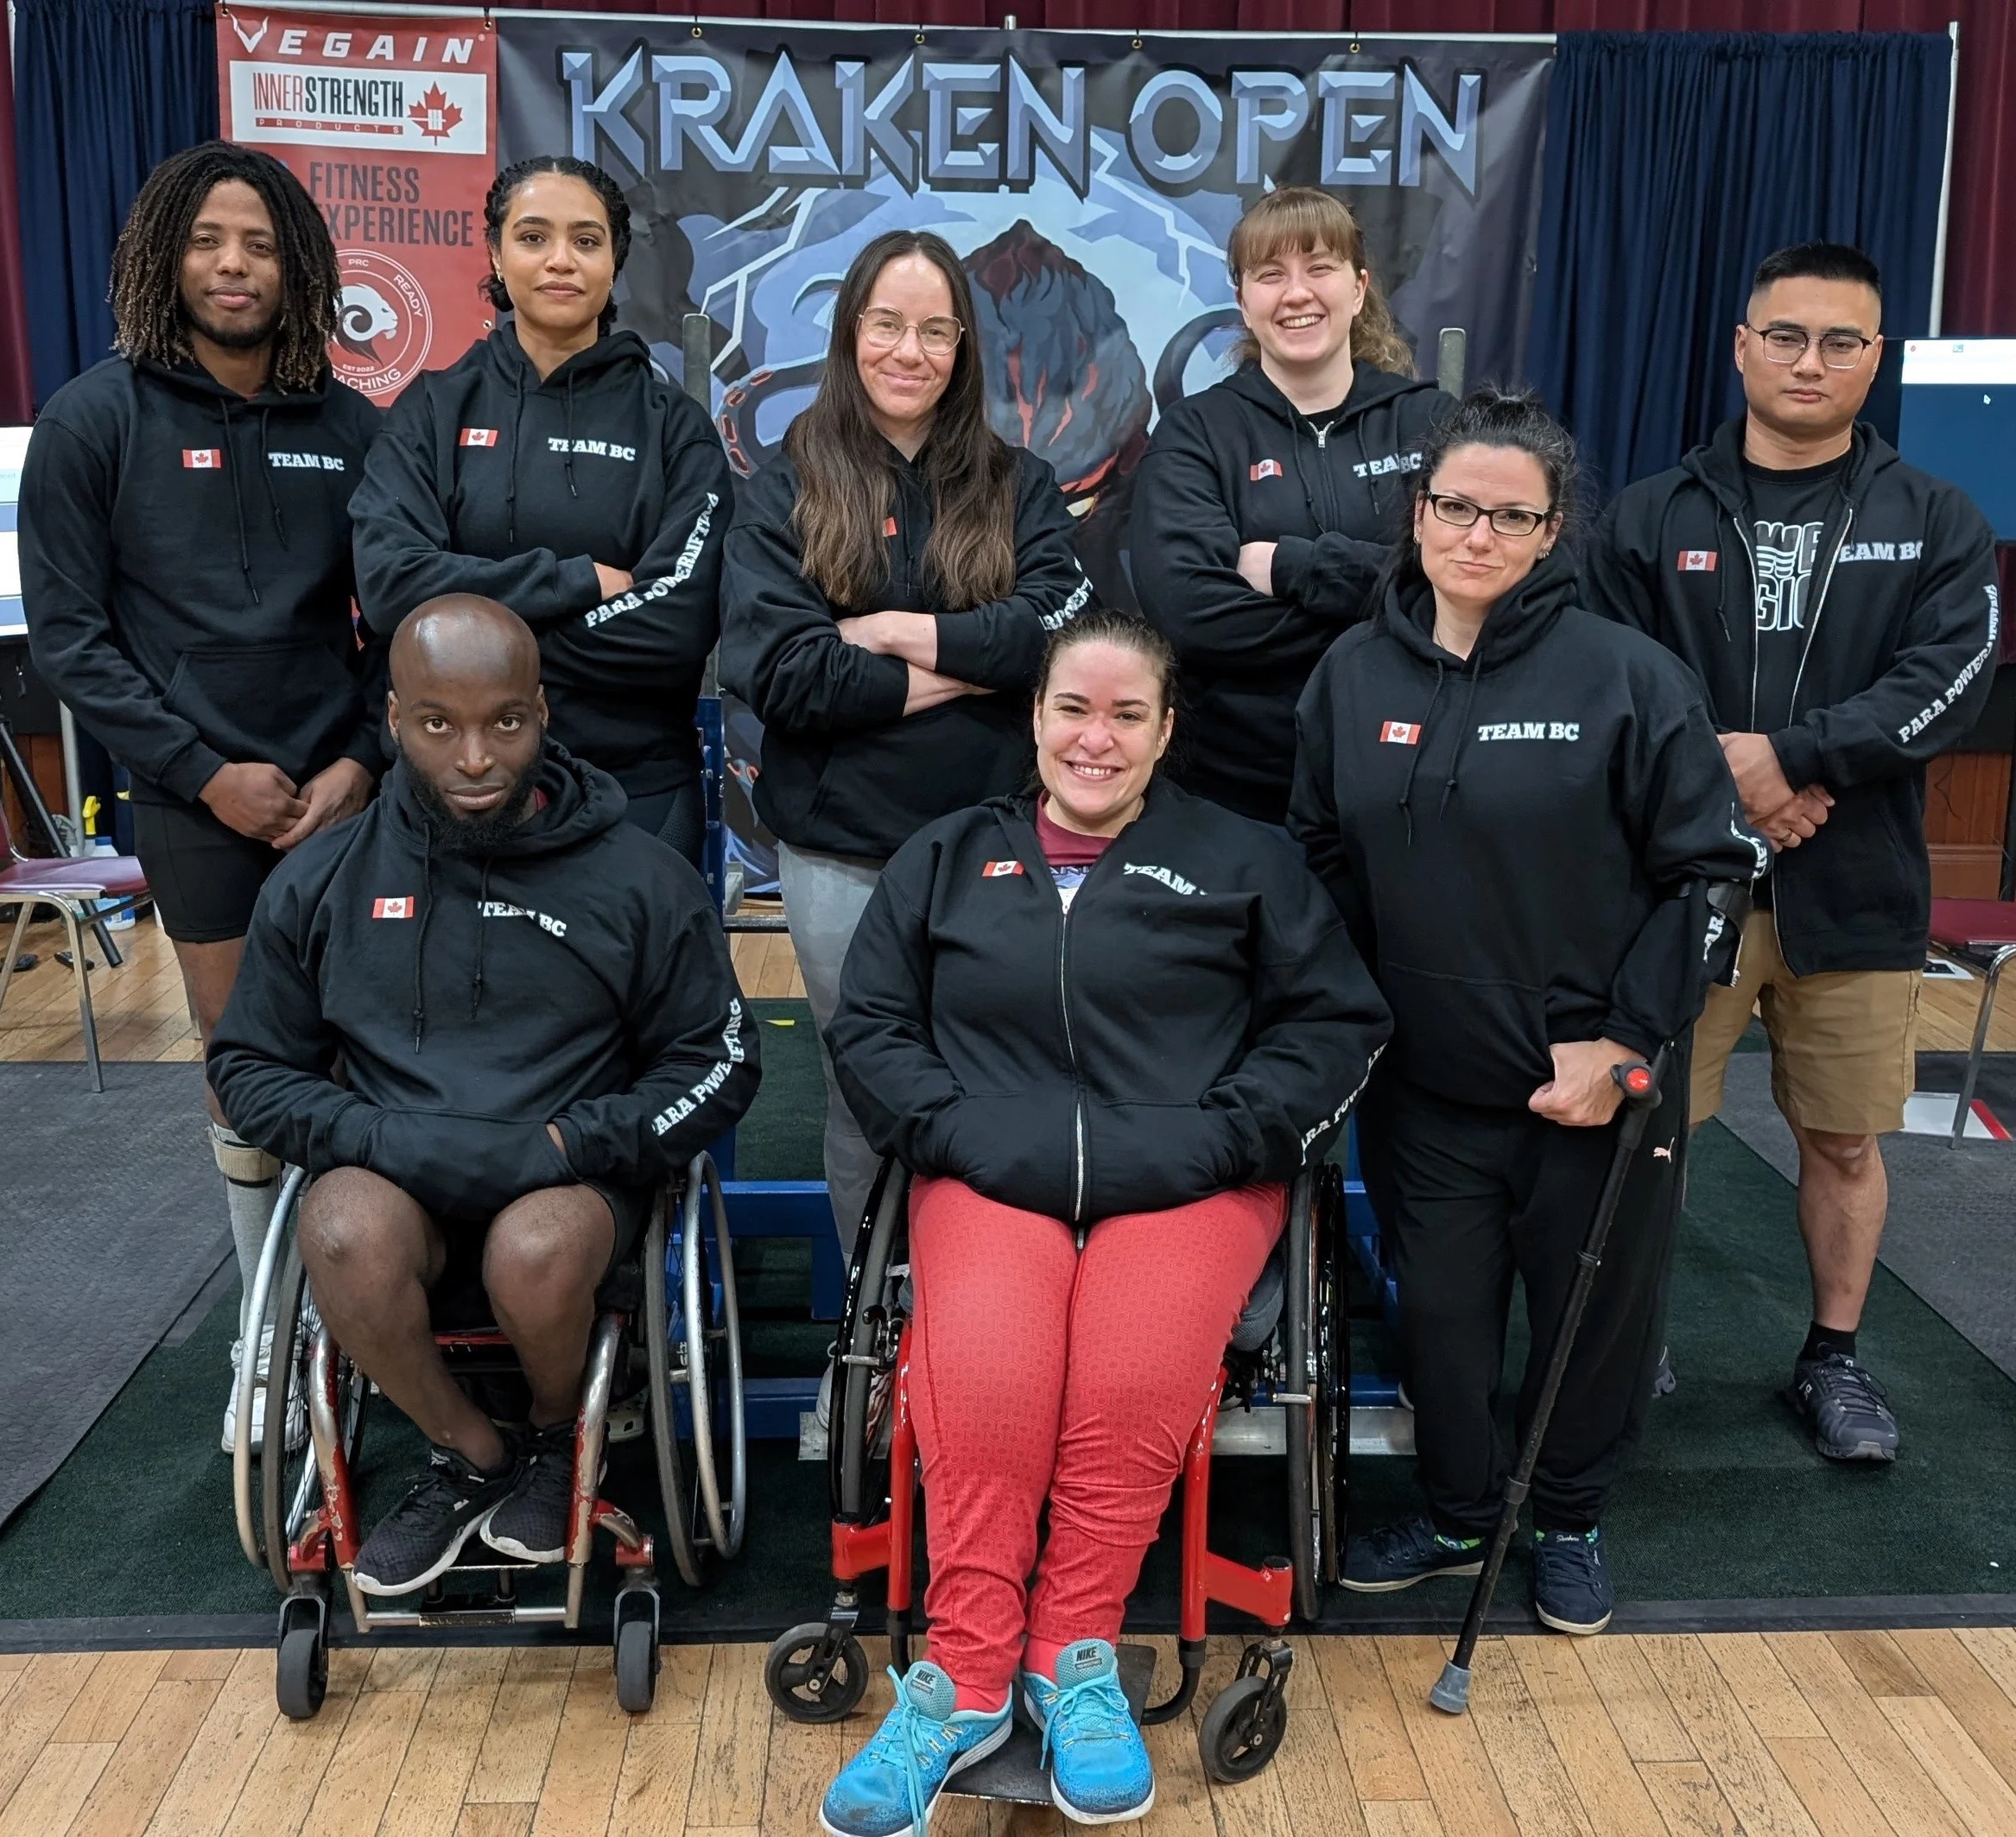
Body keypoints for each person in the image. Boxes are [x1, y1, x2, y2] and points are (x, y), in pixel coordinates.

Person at [820, 611, 1388, 1835]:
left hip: (1190, 1172)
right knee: (987, 1369)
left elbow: (1336, 1024)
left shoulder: (1242, 859)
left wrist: (1226, 1135)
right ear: (1034, 718)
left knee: (1130, 1373)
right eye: (1074, 707)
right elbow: (869, 1026)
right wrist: (959, 1133)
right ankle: (965, 1675)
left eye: (1128, 713)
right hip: (994, 1166)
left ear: (1168, 728)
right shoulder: (947, 854)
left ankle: (1074, 1648)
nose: (1097, 735)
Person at [1292, 389, 1764, 1635]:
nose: (1478, 535)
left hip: (1590, 1085)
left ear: (1554, 532)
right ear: (1418, 511)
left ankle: (1565, 1517)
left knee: (1592, 1325)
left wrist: (1624, 1042)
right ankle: (1458, 1510)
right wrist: (1350, 1021)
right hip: (1424, 1084)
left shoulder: (1627, 676)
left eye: (1513, 515)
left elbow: (1711, 868)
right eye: (1456, 507)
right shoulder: (1350, 673)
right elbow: (1316, 858)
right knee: (1441, 1317)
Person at [206, 597, 758, 1596]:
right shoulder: (323, 880)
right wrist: (376, 1136)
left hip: (564, 1180)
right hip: (393, 1173)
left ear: (542, 713)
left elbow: (718, 1061)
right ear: (393, 720)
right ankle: (471, 1454)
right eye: (438, 725)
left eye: (504, 722)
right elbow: (247, 1068)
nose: (473, 758)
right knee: (336, 1228)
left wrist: (570, 1142)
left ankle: (556, 1436)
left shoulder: (638, 877)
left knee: (533, 1247)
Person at [1586, 242, 2000, 1463]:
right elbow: (1607, 675)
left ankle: (1832, 1356)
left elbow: (1951, 680)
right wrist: (1737, 776)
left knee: (1846, 1135)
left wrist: (1802, 758)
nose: (1809, 361)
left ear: (1877, 358)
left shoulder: (1935, 518)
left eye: (1839, 341)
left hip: (1856, 883)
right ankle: (1630, 1340)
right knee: (1650, 1134)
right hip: (1678, 886)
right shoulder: (1653, 513)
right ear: (1741, 346)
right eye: (1786, 336)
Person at [18, 141, 384, 1452]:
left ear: (298, 269)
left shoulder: (352, 429)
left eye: (262, 244)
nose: (235, 265)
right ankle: (267, 1328)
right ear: (163, 258)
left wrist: (354, 764)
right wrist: (204, 771)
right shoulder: (92, 420)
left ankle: (361, 1309)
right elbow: (71, 638)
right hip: (195, 800)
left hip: (342, 797)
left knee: (353, 1045)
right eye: (208, 242)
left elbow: (395, 622)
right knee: (243, 1059)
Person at [720, 227, 1091, 1255]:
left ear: (964, 347)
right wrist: (981, 657)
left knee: (999, 1087)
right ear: (850, 335)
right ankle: (875, 1347)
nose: (908, 351)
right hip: (841, 856)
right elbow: (786, 674)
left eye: (935, 330)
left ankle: (986, 1319)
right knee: (867, 1100)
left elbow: (1060, 636)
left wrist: (893, 633)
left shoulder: (1022, 485)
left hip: (1000, 853)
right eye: (886, 324)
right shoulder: (786, 483)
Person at [352, 155, 729, 862]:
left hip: (636, 789)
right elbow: (389, 585)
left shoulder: (673, 428)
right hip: (452, 794)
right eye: (533, 237)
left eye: (586, 240)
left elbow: (674, 626)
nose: (561, 260)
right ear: (495, 252)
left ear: (615, 259)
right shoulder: (433, 410)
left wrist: (465, 655)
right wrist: (580, 581)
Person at [1132, 187, 1452, 826]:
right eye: (1271, 275)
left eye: (1320, 268)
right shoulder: (1196, 433)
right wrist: (1396, 614)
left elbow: (1477, 580)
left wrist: (1291, 568)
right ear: (1244, 301)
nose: (1296, 293)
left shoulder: (1430, 422)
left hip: (1412, 787)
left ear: (1358, 289)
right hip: (1237, 798)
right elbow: (1191, 612)